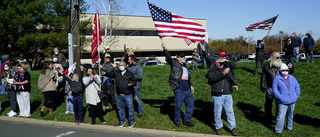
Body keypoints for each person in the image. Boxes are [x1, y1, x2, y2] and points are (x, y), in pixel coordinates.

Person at [161, 42, 195, 128]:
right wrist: (165, 49)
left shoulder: (185, 66)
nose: (183, 58)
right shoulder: (174, 64)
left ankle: (187, 120)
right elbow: (168, 58)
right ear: (177, 57)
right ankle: (177, 121)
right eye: (181, 57)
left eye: (184, 56)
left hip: (187, 90)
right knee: (178, 107)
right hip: (179, 89)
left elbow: (188, 77)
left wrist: (191, 86)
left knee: (190, 105)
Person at [205, 57, 238, 136]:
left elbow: (234, 66)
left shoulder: (227, 68)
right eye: (220, 63)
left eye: (223, 63)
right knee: (217, 112)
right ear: (216, 63)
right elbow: (212, 78)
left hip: (228, 94)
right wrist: (223, 73)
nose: (222, 64)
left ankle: (232, 127)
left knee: (230, 112)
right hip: (217, 95)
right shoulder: (212, 70)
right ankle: (218, 127)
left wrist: (227, 61)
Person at [102, 61, 137, 128]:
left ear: (125, 66)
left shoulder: (129, 73)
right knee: (120, 109)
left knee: (130, 108)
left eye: (122, 65)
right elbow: (110, 74)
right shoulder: (117, 73)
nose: (120, 66)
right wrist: (105, 73)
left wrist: (132, 84)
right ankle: (122, 121)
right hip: (119, 94)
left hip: (128, 94)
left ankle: (132, 121)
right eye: (120, 65)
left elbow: (134, 81)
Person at [261, 52, 294, 120]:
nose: (279, 59)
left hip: (280, 89)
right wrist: (262, 86)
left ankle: (277, 118)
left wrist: (291, 68)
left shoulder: (282, 65)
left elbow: (289, 73)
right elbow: (263, 77)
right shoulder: (266, 66)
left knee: (279, 105)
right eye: (277, 57)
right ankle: (268, 117)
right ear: (272, 58)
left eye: (280, 57)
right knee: (268, 104)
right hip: (270, 88)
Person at [272, 63, 300, 134]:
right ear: (280, 71)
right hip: (282, 101)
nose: (285, 71)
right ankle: (278, 130)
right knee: (281, 116)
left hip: (292, 100)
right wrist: (279, 97)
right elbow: (274, 89)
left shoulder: (292, 78)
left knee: (290, 115)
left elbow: (297, 86)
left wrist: (296, 95)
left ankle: (289, 127)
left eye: (286, 70)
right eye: (283, 70)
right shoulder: (277, 79)